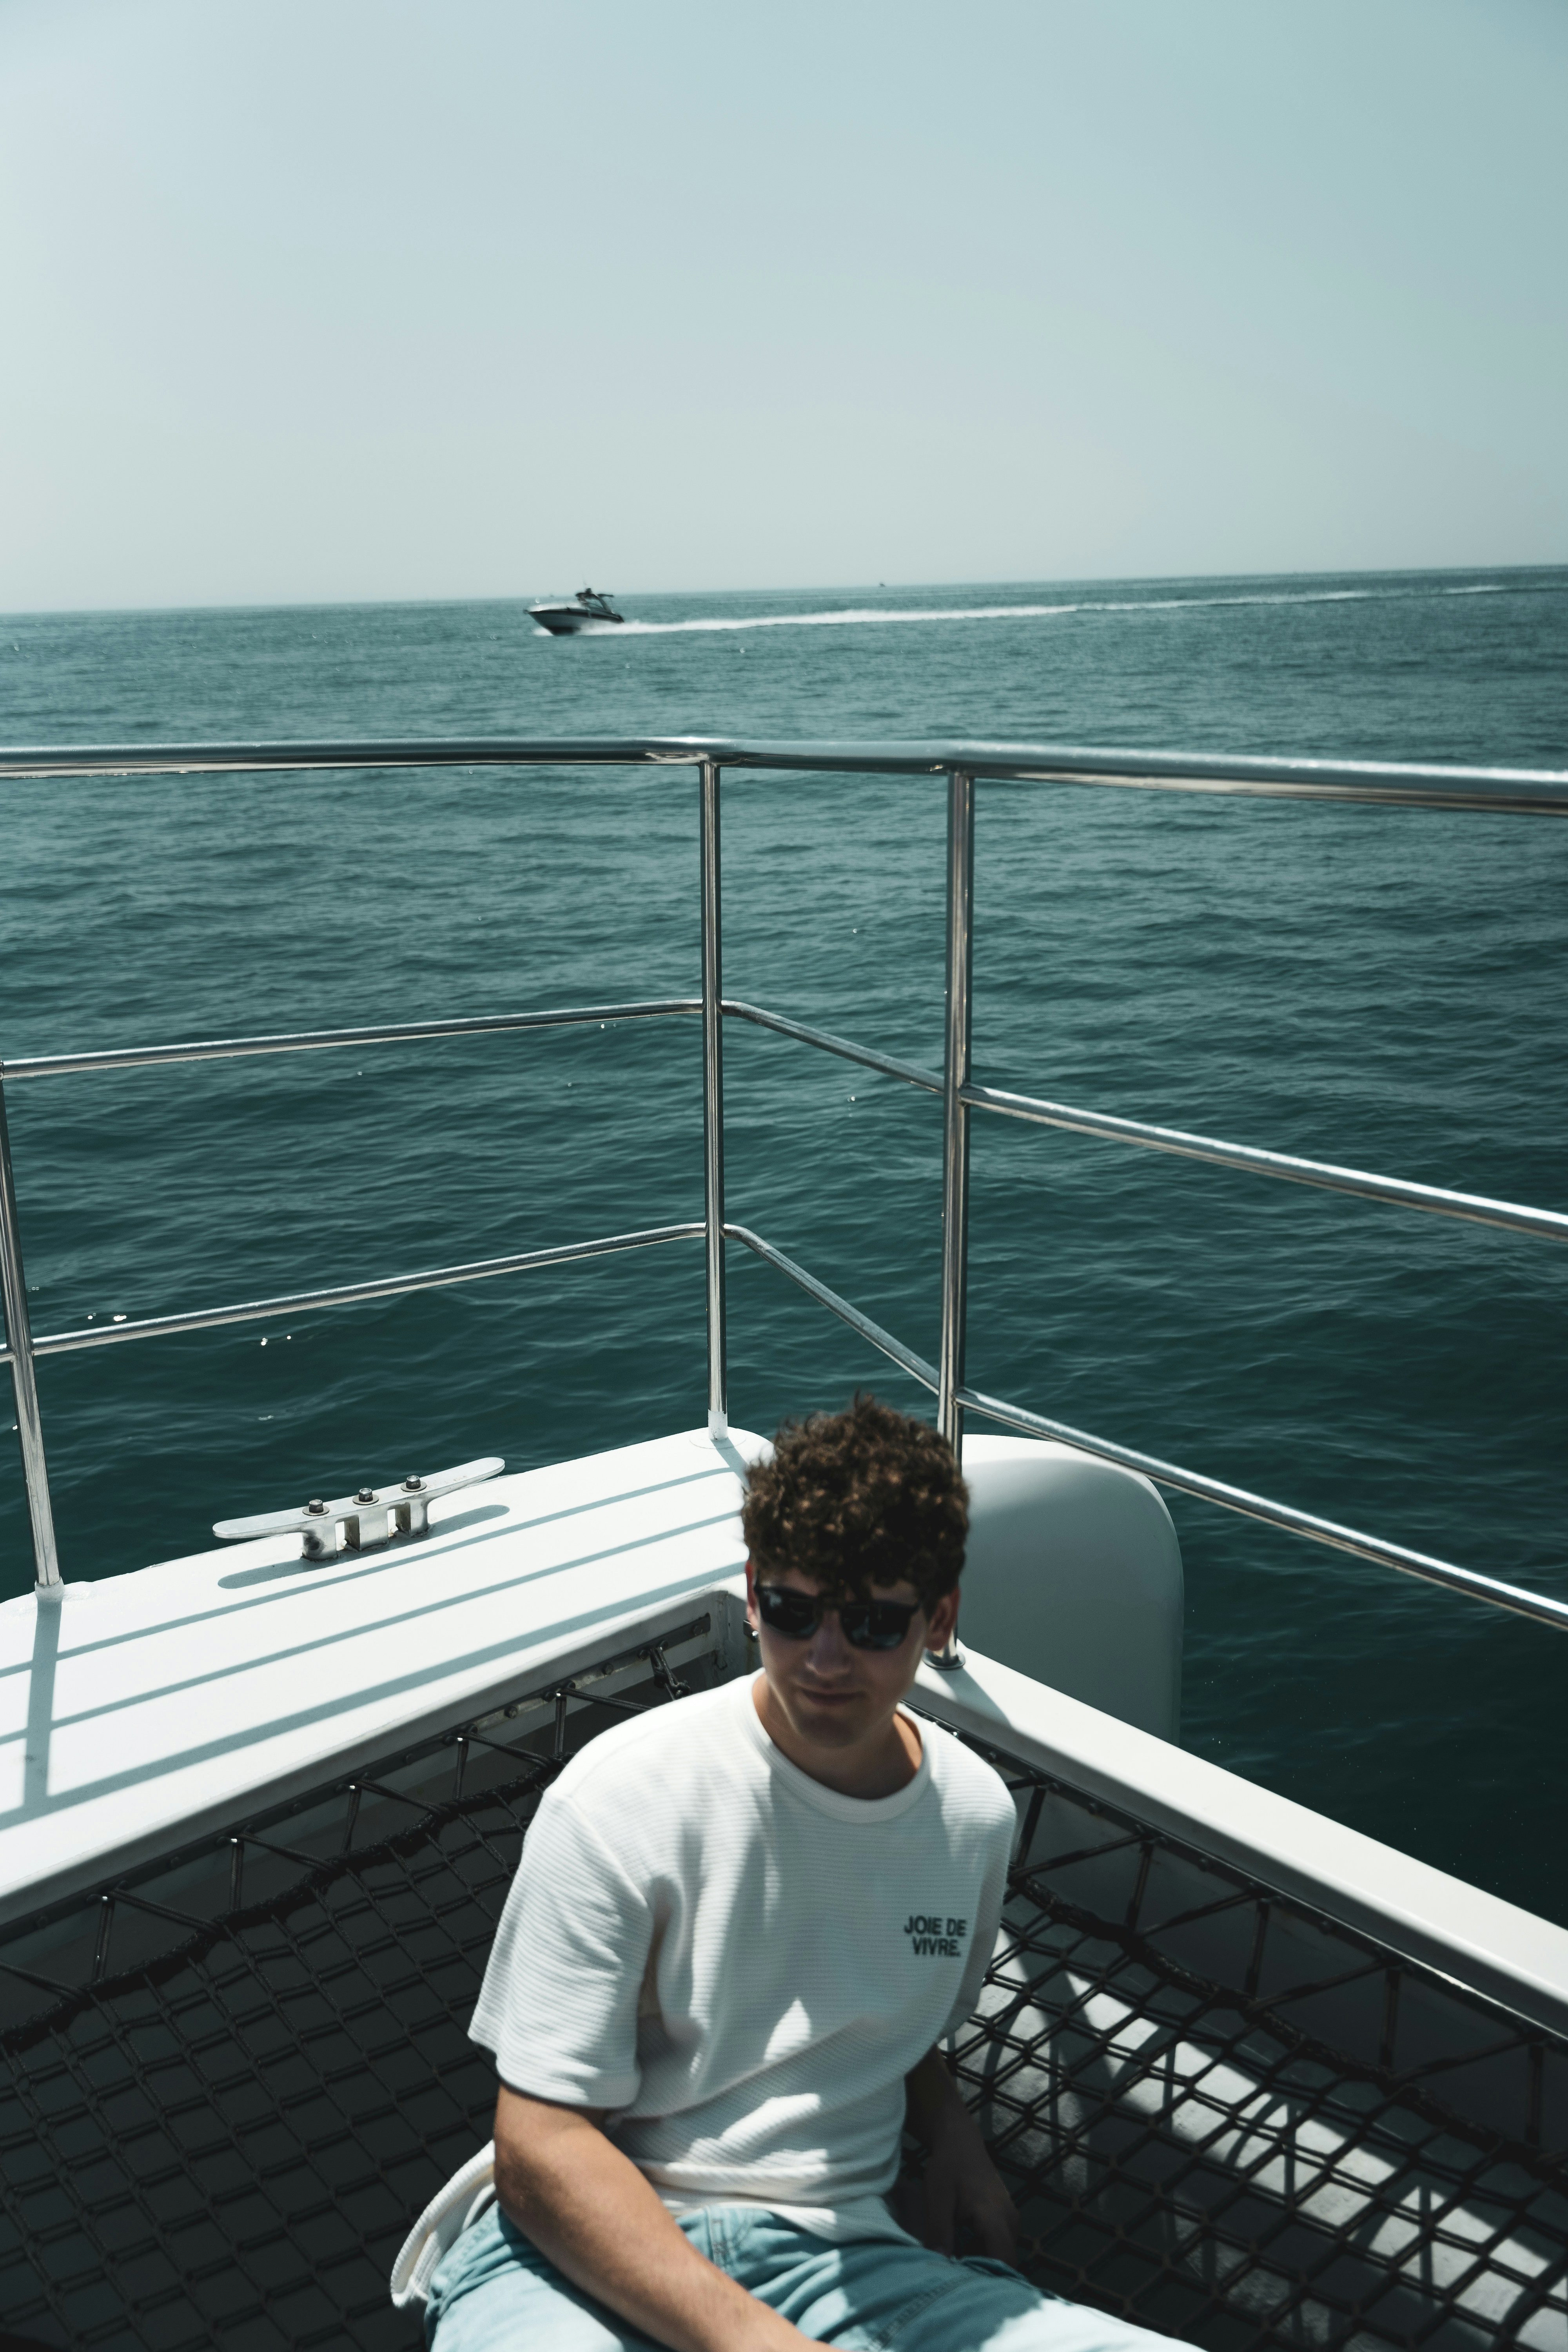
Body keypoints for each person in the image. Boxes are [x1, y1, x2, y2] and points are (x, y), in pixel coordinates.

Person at [395, 1395, 1179, 2352]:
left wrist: (956, 2139)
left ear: (939, 1618)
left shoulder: (971, 1818)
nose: (822, 1659)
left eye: (871, 1623)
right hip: (570, 2255)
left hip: (841, 2262)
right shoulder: (619, 1796)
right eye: (791, 1610)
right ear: (752, 1586)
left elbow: (884, 2009)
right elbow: (542, 2144)